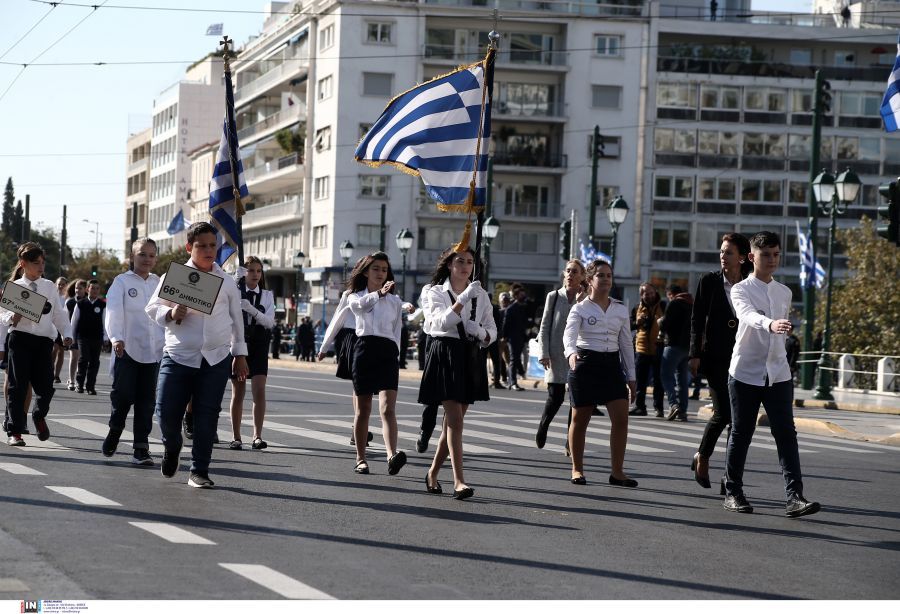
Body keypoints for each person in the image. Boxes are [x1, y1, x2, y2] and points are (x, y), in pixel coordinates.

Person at [722, 231, 820, 518]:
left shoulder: (784, 292)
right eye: (766, 255)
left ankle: (795, 497)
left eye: (776, 254)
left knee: (786, 434)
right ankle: (733, 492)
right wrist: (770, 323)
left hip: (777, 373)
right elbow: (747, 315)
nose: (772, 260)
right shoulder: (740, 289)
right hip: (744, 372)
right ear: (752, 257)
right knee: (741, 432)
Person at [146, 222, 249, 489]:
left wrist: (239, 353)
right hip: (179, 355)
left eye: (212, 245)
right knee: (165, 412)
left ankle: (199, 470)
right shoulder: (177, 276)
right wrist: (170, 313)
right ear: (189, 247)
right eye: (201, 245)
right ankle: (172, 444)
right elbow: (152, 307)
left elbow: (237, 320)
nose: (208, 250)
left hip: (215, 358)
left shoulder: (226, 282)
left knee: (207, 415)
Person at [419, 248, 496, 500]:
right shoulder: (434, 291)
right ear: (449, 264)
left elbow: (492, 330)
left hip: (469, 355)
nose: (465, 266)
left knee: (452, 425)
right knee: (455, 421)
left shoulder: (480, 294)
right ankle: (459, 481)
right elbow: (439, 323)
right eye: (460, 261)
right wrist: (463, 297)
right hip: (445, 352)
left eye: (470, 262)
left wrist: (480, 331)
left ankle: (432, 473)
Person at [563, 259, 637, 487]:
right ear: (590, 280)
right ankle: (577, 469)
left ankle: (617, 472)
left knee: (621, 419)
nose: (606, 279)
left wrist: (631, 376)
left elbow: (626, 344)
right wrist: (571, 354)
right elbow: (569, 335)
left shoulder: (620, 309)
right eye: (601, 275)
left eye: (609, 275)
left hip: (612, 366)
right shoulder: (580, 308)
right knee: (580, 418)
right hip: (585, 363)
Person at [688, 233, 751, 489]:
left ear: (743, 257)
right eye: (722, 252)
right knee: (723, 413)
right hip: (715, 357)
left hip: (744, 357)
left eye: (729, 252)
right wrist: (694, 353)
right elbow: (696, 319)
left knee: (738, 420)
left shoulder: (750, 283)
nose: (723, 257)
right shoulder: (709, 281)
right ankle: (703, 455)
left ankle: (730, 476)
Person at [1, 243, 73, 446]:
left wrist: (66, 333)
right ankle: (15, 432)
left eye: (43, 263)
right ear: (23, 264)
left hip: (43, 341)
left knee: (46, 387)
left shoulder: (49, 286)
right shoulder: (14, 287)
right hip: (20, 339)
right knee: (18, 387)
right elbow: (3, 315)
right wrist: (12, 317)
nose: (41, 267)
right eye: (36, 263)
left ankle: (39, 415)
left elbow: (58, 313)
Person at [102, 237, 165, 465]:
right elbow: (114, 312)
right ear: (132, 257)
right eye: (142, 254)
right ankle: (115, 431)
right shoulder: (122, 282)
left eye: (151, 255)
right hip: (127, 349)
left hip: (154, 351)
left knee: (147, 401)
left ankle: (141, 448)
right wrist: (116, 338)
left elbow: (168, 312)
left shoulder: (160, 282)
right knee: (123, 397)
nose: (147, 259)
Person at [347, 252, 407, 476]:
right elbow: (359, 308)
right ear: (365, 272)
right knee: (363, 410)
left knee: (388, 409)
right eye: (376, 269)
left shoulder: (394, 301)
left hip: (388, 352)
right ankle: (360, 458)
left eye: (384, 269)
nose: (381, 273)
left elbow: (397, 331)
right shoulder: (355, 296)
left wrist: (396, 354)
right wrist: (378, 295)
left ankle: (392, 455)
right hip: (364, 350)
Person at [535, 259, 587, 449]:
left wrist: (581, 302)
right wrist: (544, 352)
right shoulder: (554, 296)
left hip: (578, 354)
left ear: (582, 276)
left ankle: (570, 442)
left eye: (575, 272)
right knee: (555, 397)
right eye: (568, 271)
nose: (571, 275)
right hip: (556, 352)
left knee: (576, 401)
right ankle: (543, 426)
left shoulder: (587, 299)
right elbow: (545, 326)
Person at [229, 256, 276, 451]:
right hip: (240, 342)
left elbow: (270, 322)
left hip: (259, 343)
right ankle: (236, 436)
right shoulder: (235, 291)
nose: (255, 274)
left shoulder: (266, 295)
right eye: (250, 270)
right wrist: (233, 280)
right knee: (238, 391)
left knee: (259, 389)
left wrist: (252, 311)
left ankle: (257, 436)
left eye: (258, 271)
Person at [629, 283, 666, 417]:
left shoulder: (663, 306)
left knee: (658, 381)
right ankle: (640, 407)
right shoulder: (636, 308)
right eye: (646, 293)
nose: (650, 295)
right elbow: (629, 326)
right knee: (640, 380)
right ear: (641, 295)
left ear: (655, 292)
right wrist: (636, 322)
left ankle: (659, 408)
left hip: (659, 347)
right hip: (641, 348)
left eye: (651, 292)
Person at [659, 284, 693, 421]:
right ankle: (683, 411)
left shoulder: (674, 304)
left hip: (673, 345)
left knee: (666, 376)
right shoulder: (691, 304)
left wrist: (661, 321)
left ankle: (673, 404)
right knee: (682, 379)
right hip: (688, 347)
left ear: (671, 294)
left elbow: (666, 324)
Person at [70, 279, 108, 395]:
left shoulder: (102, 305)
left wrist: (106, 338)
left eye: (97, 288)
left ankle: (90, 386)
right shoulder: (81, 303)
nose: (95, 290)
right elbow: (74, 321)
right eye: (92, 288)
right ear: (87, 289)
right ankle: (79, 384)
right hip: (83, 337)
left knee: (94, 362)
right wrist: (71, 337)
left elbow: (105, 322)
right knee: (84, 359)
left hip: (97, 337)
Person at [502, 285, 528, 391]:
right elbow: (506, 324)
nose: (523, 296)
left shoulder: (523, 308)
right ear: (516, 296)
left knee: (516, 359)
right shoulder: (511, 309)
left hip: (521, 338)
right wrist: (504, 337)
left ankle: (513, 380)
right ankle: (513, 382)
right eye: (521, 295)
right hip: (513, 338)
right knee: (513, 359)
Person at [64, 279, 86, 391]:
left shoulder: (88, 302)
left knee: (82, 359)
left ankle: (78, 379)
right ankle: (71, 380)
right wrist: (66, 335)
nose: (77, 290)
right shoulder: (70, 302)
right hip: (73, 334)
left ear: (85, 289)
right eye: (76, 288)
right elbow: (65, 319)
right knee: (74, 357)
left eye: (80, 288)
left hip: (85, 335)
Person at [52, 276, 68, 383]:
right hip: (53, 327)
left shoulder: (67, 298)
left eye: (63, 284)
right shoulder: (53, 296)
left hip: (64, 327)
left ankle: (57, 375)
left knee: (61, 352)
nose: (61, 286)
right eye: (59, 284)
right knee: (54, 350)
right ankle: (49, 371)